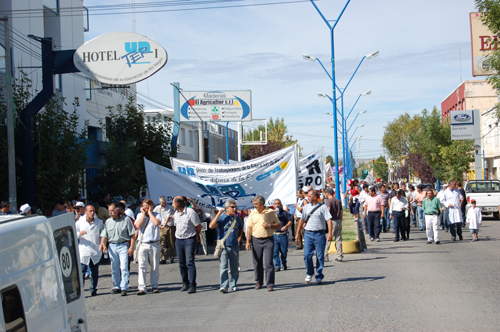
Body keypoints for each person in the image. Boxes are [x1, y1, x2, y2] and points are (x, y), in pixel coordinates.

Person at [296, 190, 332, 284]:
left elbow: (329, 220)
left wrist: (330, 233)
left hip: (320, 234)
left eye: (309, 196)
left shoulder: (323, 207)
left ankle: (319, 276)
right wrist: (297, 233)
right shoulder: (306, 207)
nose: (307, 198)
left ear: (315, 197)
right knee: (307, 255)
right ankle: (309, 273)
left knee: (320, 256)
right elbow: (302, 220)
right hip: (308, 233)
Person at [100, 203, 136, 296]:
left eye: (112, 211)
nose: (110, 213)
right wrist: (103, 245)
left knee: (124, 267)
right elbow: (105, 235)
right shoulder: (108, 221)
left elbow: (132, 234)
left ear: (117, 210)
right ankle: (116, 286)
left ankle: (124, 286)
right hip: (112, 246)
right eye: (109, 211)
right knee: (114, 267)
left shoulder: (126, 220)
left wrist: (131, 247)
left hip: (123, 245)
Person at [246, 195, 280, 291]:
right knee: (257, 262)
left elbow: (278, 224)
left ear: (262, 203)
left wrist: (269, 225)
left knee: (268, 262)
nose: (255, 206)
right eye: (254, 204)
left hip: (268, 239)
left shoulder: (270, 212)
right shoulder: (253, 213)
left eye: (256, 204)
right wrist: (248, 241)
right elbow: (249, 228)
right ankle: (258, 282)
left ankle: (270, 284)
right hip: (256, 239)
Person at [209, 199, 244, 293]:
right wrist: (217, 215)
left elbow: (241, 228)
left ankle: (233, 284)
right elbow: (211, 226)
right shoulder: (222, 218)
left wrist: (239, 237)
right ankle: (223, 285)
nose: (235, 208)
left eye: (235, 207)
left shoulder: (237, 218)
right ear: (226, 208)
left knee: (234, 267)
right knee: (223, 267)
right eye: (232, 207)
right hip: (224, 246)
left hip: (234, 245)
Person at [173, 196, 201, 294]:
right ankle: (185, 282)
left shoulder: (190, 212)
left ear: (178, 204)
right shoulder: (176, 213)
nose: (172, 205)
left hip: (189, 239)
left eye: (173, 203)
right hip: (179, 239)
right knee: (181, 263)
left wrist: (196, 236)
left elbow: (198, 226)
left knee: (189, 262)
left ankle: (192, 285)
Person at [134, 198, 161, 295]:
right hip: (143, 244)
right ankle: (142, 287)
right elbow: (137, 225)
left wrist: (150, 213)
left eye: (147, 207)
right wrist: (143, 215)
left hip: (154, 243)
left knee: (154, 266)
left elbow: (157, 223)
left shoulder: (157, 215)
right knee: (142, 266)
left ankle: (154, 285)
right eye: (144, 207)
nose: (145, 209)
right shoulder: (139, 215)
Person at [76, 205, 104, 296]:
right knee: (82, 271)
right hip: (84, 250)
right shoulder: (80, 222)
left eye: (93, 211)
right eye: (90, 211)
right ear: (85, 212)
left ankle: (93, 288)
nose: (92, 213)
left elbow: (103, 233)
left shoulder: (99, 222)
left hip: (95, 250)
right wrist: (80, 234)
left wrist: (103, 243)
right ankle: (81, 291)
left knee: (94, 271)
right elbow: (73, 233)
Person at [272, 199, 293, 272]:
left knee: (284, 251)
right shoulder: (271, 213)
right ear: (273, 205)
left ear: (281, 205)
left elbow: (290, 221)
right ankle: (277, 265)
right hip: (274, 235)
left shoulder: (284, 213)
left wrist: (286, 226)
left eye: (278, 203)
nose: (277, 205)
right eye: (275, 203)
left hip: (283, 235)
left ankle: (284, 263)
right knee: (275, 251)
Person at [153, 196, 175, 264]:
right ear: (160, 202)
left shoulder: (170, 208)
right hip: (161, 227)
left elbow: (168, 217)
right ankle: (163, 258)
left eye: (164, 202)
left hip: (169, 226)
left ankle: (171, 257)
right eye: (162, 203)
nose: (164, 204)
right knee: (162, 243)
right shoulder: (157, 208)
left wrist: (164, 225)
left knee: (171, 243)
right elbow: (154, 215)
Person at [324, 188, 343, 262]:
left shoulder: (328, 201)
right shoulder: (338, 201)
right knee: (338, 240)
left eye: (325, 193)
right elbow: (341, 212)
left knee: (328, 238)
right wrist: (340, 221)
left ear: (328, 193)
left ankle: (325, 256)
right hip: (338, 221)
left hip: (331, 221)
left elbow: (328, 210)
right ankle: (339, 255)